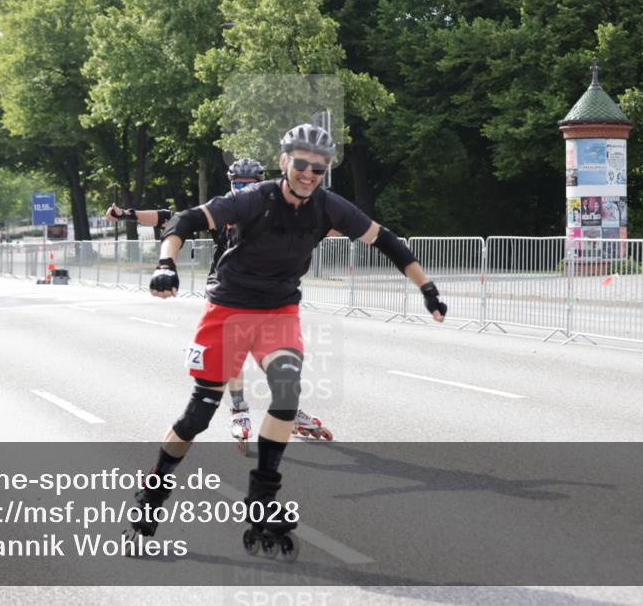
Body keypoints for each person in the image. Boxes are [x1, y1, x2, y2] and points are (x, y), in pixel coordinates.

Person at [127, 124, 447, 559]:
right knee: (198, 415)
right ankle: (152, 494)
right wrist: (166, 264)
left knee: (286, 389)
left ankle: (261, 499)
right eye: (301, 164)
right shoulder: (253, 199)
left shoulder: (329, 207)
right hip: (228, 311)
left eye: (318, 168)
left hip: (279, 312)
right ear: (284, 162)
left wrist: (427, 288)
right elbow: (185, 220)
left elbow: (386, 241)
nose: (308, 174)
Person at [106, 160, 333, 452]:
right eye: (237, 183)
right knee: (233, 354)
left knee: (282, 354)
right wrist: (129, 214)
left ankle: (288, 407)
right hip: (228, 293)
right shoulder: (228, 209)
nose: (243, 189)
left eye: (249, 183)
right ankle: (239, 409)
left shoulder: (278, 209)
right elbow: (172, 218)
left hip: (270, 295)